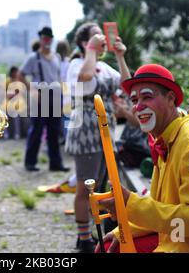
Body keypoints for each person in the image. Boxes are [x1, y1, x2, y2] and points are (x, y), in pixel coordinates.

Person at [98, 64, 189, 253]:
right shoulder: (164, 137)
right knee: (108, 246)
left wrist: (131, 203)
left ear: (171, 98)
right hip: (172, 236)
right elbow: (161, 205)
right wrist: (125, 228)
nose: (138, 106)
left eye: (147, 97)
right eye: (134, 99)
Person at [64, 22, 131, 253]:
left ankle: (96, 231)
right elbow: (84, 79)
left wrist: (120, 57)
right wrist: (90, 51)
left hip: (106, 131)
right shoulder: (76, 64)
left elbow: (126, 85)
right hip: (85, 131)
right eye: (95, 38)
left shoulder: (103, 65)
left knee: (103, 185)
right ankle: (83, 238)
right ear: (84, 43)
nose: (101, 41)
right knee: (85, 186)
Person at [18, 26, 69, 172]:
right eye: (44, 38)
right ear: (40, 39)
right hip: (40, 97)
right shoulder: (33, 58)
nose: (47, 40)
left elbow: (58, 77)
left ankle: (55, 163)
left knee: (55, 130)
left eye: (49, 38)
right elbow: (21, 75)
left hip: (55, 95)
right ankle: (30, 162)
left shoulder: (57, 57)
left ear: (51, 40)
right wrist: (32, 90)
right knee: (37, 130)